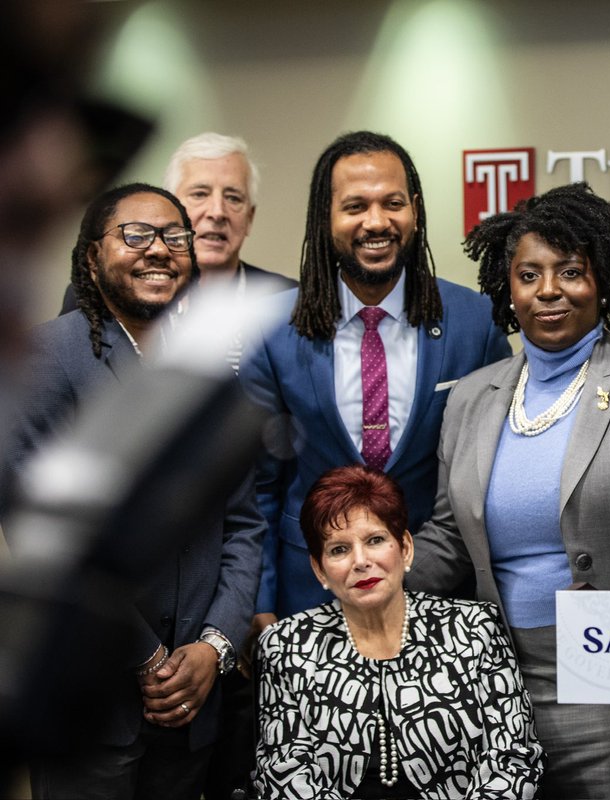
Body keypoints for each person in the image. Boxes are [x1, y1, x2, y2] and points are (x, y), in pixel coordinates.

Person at [407, 182, 610, 799]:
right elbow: (449, 540)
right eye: (529, 274)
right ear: (506, 288)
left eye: (571, 271)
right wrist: (375, 573)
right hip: (496, 690)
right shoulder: (470, 397)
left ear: (603, 282)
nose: (548, 291)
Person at [4, 182, 264, 799]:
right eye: (136, 235)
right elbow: (43, 533)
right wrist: (148, 659)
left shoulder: (207, 368)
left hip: (194, 705)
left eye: (175, 237)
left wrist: (214, 648)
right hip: (93, 705)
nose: (159, 251)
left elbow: (244, 523)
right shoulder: (48, 356)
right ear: (92, 257)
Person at [239, 131, 511, 627]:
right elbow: (259, 488)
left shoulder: (475, 322)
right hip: (308, 595)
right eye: (355, 206)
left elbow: (492, 477)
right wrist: (259, 601)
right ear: (326, 218)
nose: (377, 222)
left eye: (392, 204)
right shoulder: (272, 330)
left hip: (441, 595)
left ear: (415, 210)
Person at [254, 464, 542, 799]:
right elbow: (282, 771)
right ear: (319, 569)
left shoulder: (475, 630)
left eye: (375, 540)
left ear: (405, 548)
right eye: (339, 549)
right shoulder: (286, 646)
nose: (360, 561)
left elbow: (514, 760)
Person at [59, 133, 297, 350]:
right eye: (199, 194)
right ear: (168, 209)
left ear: (249, 218)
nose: (217, 212)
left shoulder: (288, 300)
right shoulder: (99, 295)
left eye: (233, 198)